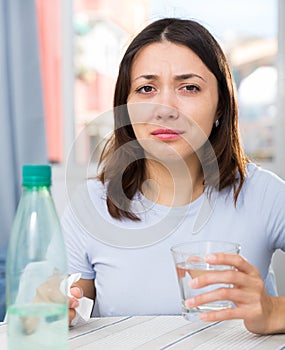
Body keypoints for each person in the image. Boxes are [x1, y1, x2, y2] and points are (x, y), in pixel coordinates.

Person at [63, 17, 285, 334]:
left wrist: (274, 310)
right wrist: (56, 312)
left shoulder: (266, 195)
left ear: (221, 104)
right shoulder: (91, 204)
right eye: (146, 88)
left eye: (189, 87)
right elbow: (67, 309)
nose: (165, 108)